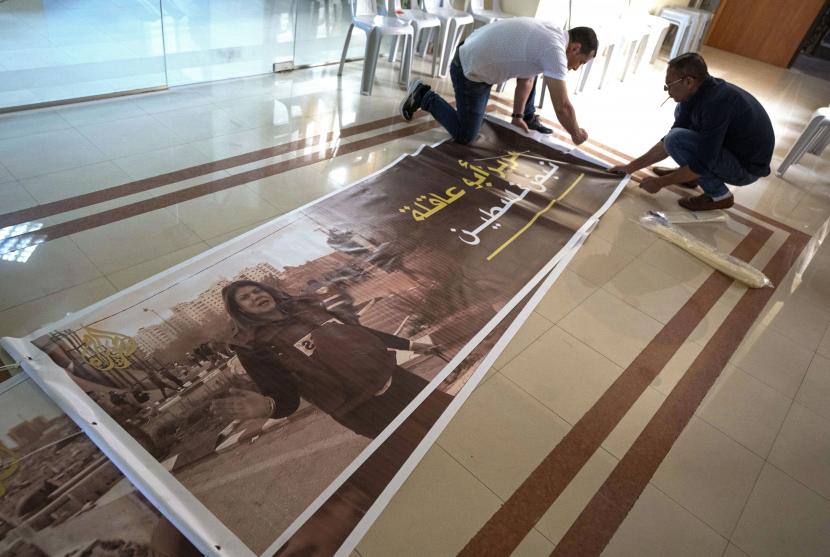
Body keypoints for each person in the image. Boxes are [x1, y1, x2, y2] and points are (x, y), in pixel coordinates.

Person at [211, 280, 439, 438]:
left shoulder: (308, 309)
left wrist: (412, 345)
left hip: (397, 381)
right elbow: (283, 394)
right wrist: (269, 407)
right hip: (363, 409)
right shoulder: (253, 346)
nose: (255, 296)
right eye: (245, 298)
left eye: (257, 291)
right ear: (240, 311)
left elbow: (359, 333)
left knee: (448, 417)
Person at [609, 53, 774, 211]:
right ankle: (692, 178)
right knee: (677, 129)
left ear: (688, 82)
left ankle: (719, 195)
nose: (667, 91)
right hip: (729, 150)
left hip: (744, 169)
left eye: (669, 85)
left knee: (678, 139)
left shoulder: (716, 104)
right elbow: (667, 142)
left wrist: (660, 183)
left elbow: (701, 160)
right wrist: (630, 167)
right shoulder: (697, 92)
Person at [399, 18, 597, 145]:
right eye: (581, 62)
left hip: (473, 56)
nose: (576, 68)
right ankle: (424, 96)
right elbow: (562, 107)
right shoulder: (555, 50)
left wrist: (518, 115)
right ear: (575, 48)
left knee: (475, 118)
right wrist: (576, 133)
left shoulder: (553, 31)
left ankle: (440, 100)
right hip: (470, 70)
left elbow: (526, 78)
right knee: (465, 135)